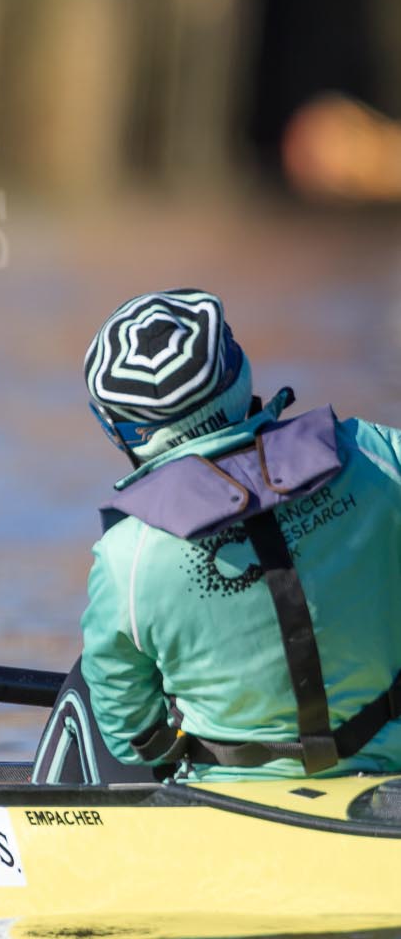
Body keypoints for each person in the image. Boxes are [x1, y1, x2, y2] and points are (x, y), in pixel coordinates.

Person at [41, 287, 401, 782]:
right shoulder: (377, 453)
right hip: (388, 775)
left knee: (93, 676)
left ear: (117, 429)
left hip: (229, 805)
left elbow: (128, 735)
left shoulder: (126, 558)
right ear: (239, 370)